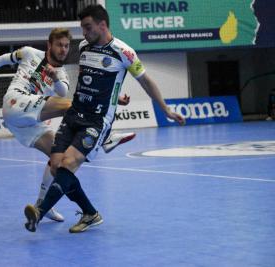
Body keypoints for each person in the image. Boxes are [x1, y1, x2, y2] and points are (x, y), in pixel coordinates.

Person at [23, 5, 186, 233]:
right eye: (82, 28)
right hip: (73, 115)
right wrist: (116, 97)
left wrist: (165, 109)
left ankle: (38, 214)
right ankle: (90, 213)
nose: (85, 33)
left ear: (102, 25)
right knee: (55, 167)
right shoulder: (83, 47)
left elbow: (146, 81)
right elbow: (92, 81)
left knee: (69, 164)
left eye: (88, 27)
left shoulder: (124, 52)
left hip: (96, 121)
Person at [0, 27, 135, 223]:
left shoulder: (62, 73)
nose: (63, 49)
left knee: (61, 161)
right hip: (15, 102)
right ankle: (104, 136)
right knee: (73, 106)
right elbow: (5, 58)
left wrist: (55, 77)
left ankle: (45, 205)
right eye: (59, 45)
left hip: (27, 123)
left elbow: (62, 91)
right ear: (49, 45)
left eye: (66, 46)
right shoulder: (30, 53)